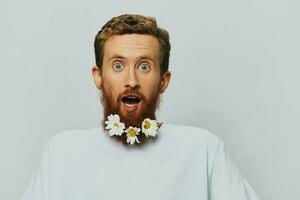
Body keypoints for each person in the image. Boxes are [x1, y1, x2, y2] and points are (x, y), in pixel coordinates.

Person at [22, 14, 260, 200]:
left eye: (144, 66)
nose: (132, 80)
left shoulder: (203, 149)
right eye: (118, 66)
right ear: (98, 77)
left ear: (163, 81)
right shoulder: (62, 153)